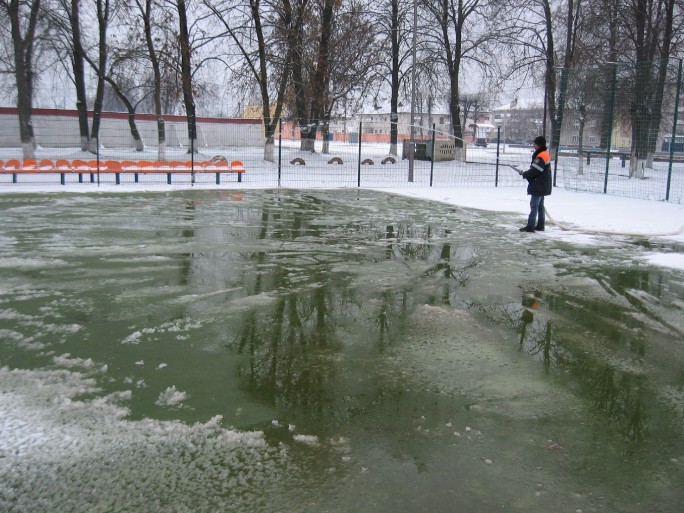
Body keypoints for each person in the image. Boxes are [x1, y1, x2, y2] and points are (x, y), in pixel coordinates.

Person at [514, 135, 553, 232]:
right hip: (543, 184)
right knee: (540, 206)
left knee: (534, 205)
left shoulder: (541, 156)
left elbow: (536, 170)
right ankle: (540, 225)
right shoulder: (544, 154)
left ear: (537, 145)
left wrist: (525, 174)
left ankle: (530, 226)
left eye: (534, 143)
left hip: (539, 185)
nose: (533, 145)